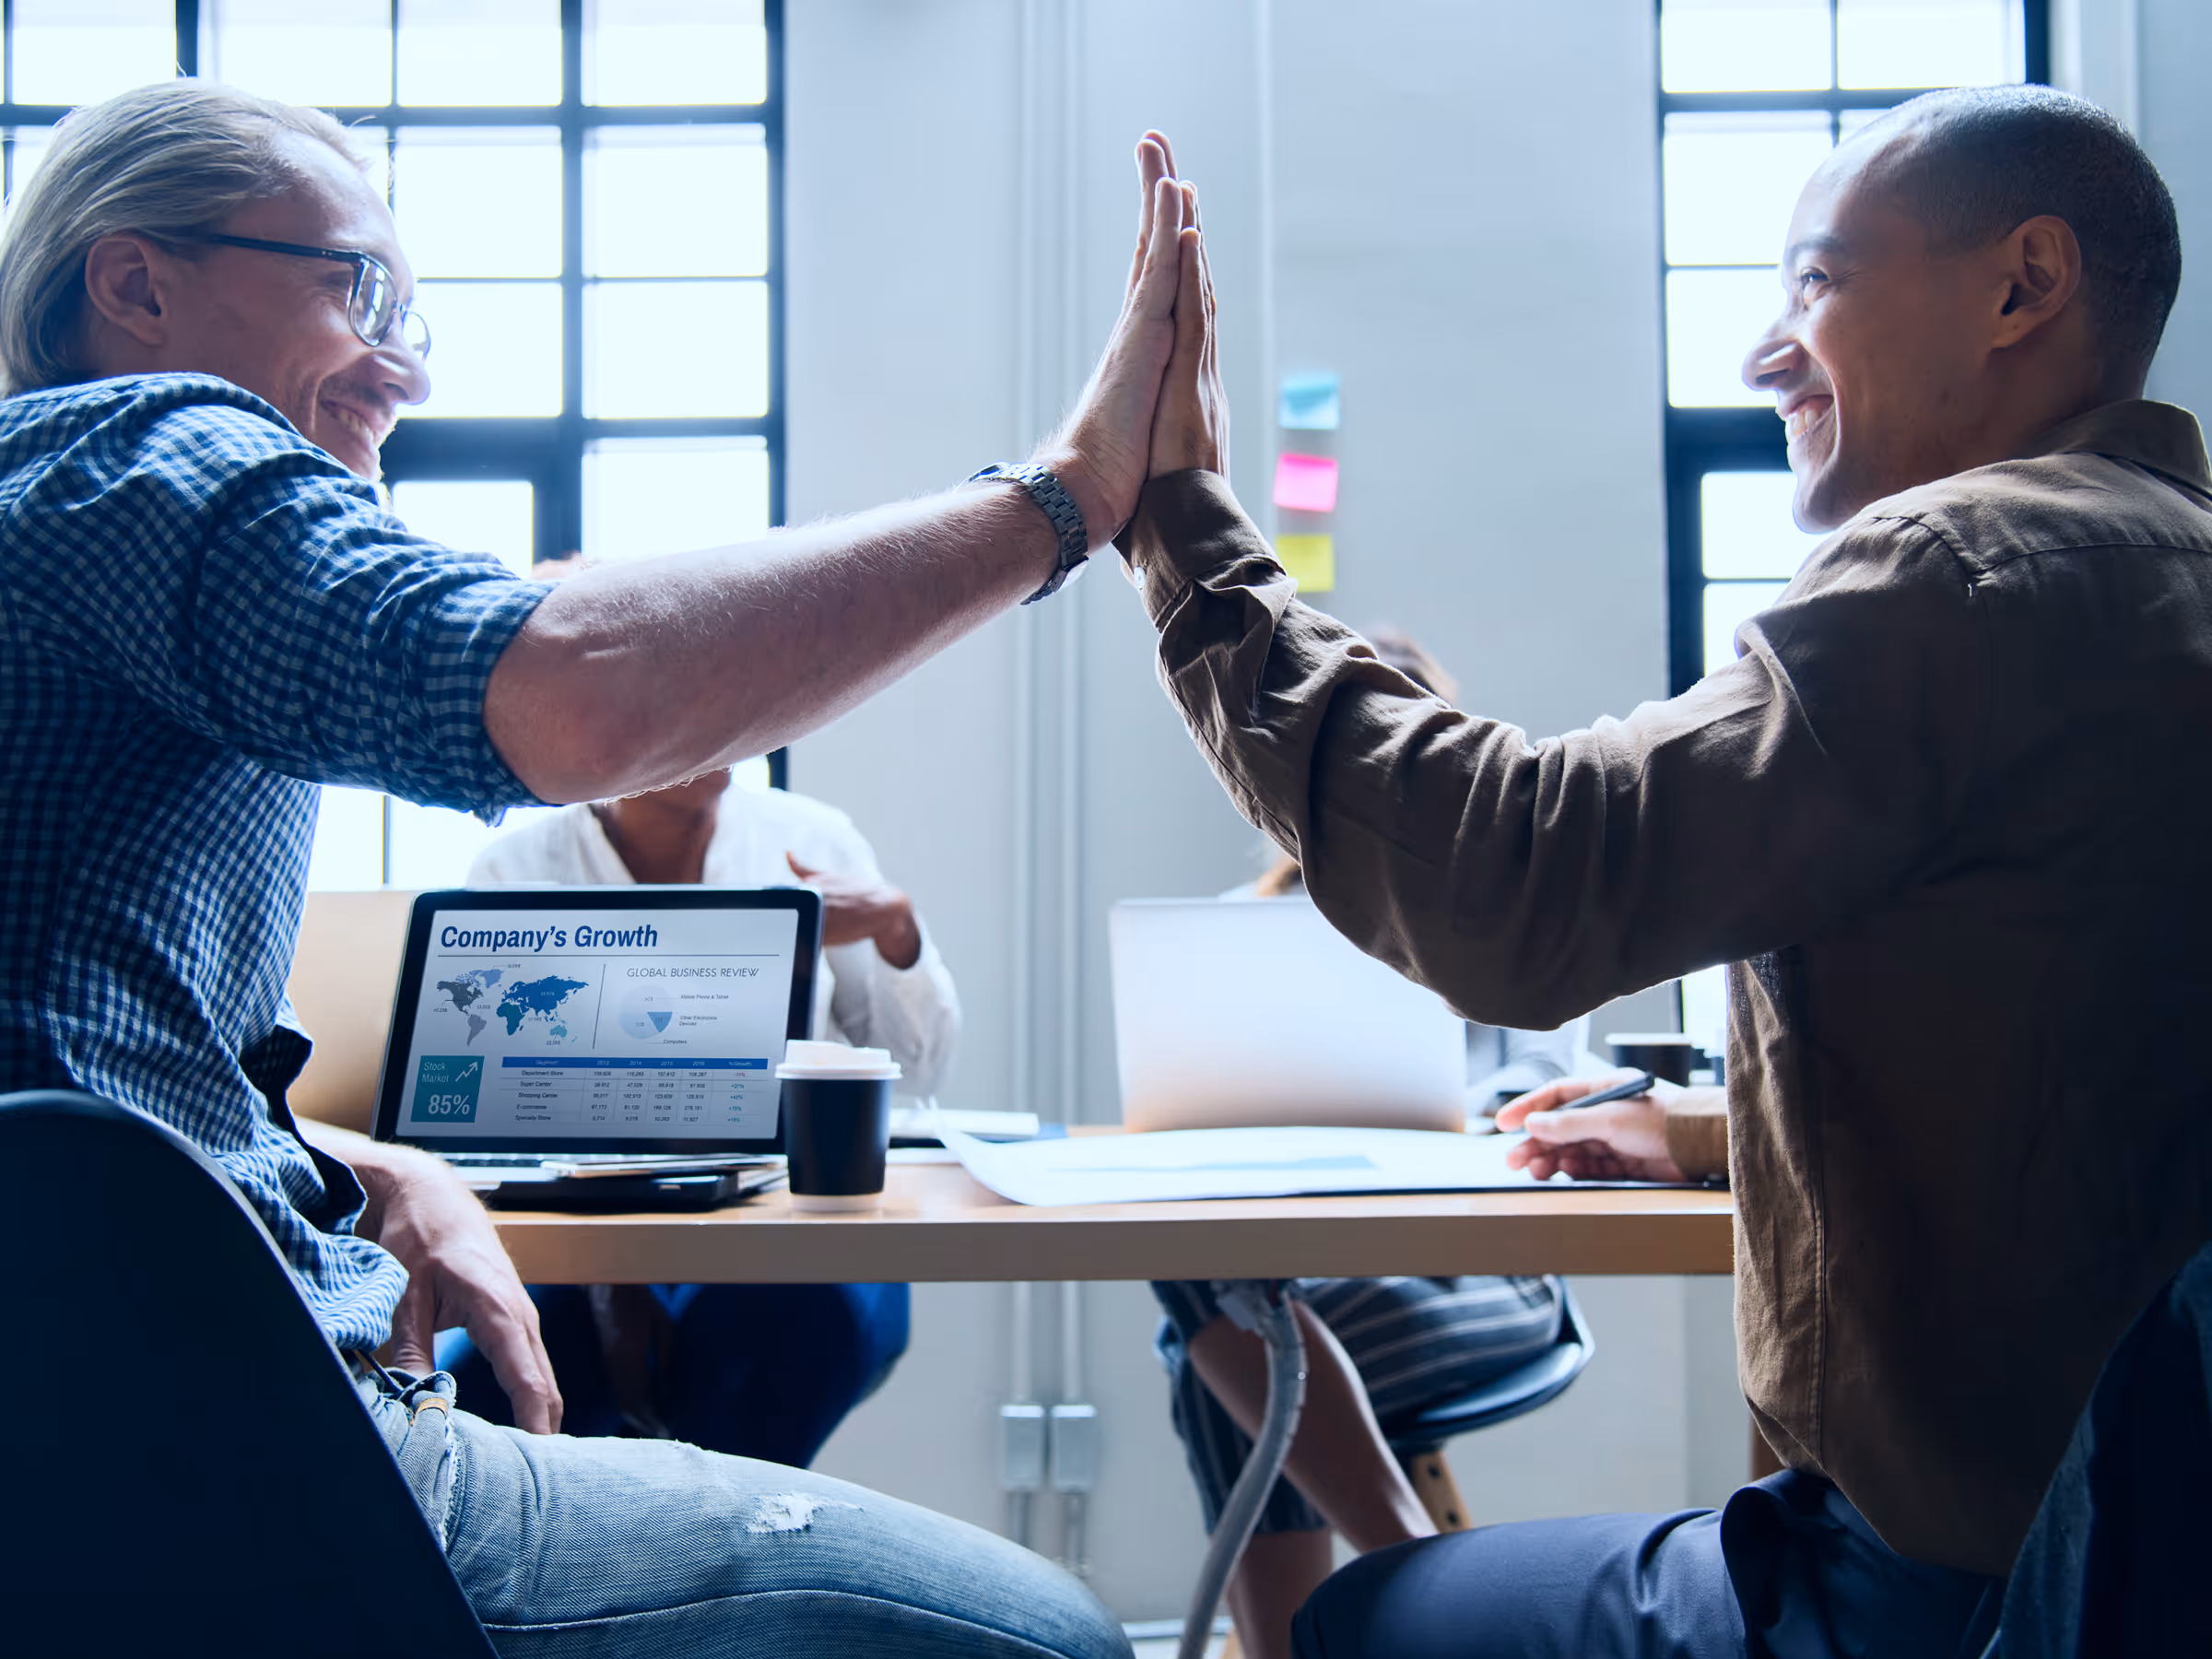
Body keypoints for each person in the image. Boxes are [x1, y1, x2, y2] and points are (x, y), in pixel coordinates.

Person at [0, 77, 1192, 1654]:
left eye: (415, 310)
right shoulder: (150, 453)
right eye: (354, 286)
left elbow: (63, 1042)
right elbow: (577, 692)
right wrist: (1066, 501)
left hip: (85, 1424)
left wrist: (345, 1163)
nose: (403, 363)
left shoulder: (49, 530)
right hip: (203, 1447)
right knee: (1048, 1635)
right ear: (138, 283)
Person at [1120, 90, 2207, 1655]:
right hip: (2155, 1556)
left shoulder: (1962, 570)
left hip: (1959, 1593)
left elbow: (1518, 874)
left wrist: (1180, 520)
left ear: (2022, 287)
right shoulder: (2167, 577)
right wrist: (1713, 1127)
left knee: (1367, 1623)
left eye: (1818, 286)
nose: (1767, 355)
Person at [1156, 626, 1582, 1659]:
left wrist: (1462, 1120)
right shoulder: (1238, 932)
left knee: (1214, 1358)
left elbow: (1548, 1097)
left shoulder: (1502, 916)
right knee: (1209, 1298)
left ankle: (1358, 1607)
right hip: (1312, 1270)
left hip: (1483, 1275)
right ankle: (1411, 1602)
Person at [445, 737, 957, 1462]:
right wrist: (609, 1283)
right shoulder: (515, 873)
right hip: (580, 1241)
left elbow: (918, 1067)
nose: (722, 728)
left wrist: (896, 928)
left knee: (770, 1342)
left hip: (787, 1233)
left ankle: (709, 1563)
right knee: (476, 1402)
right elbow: (497, 1120)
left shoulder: (810, 840)